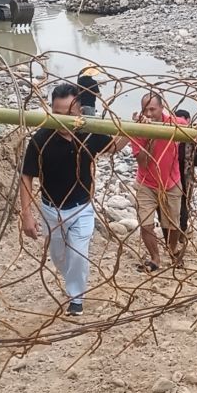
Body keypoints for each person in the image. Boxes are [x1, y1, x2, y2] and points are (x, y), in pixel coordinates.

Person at [20, 82, 128, 317]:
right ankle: (71, 281)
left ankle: (76, 299)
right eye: (57, 113)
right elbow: (26, 175)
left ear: (79, 110)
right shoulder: (42, 138)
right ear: (51, 111)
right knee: (59, 257)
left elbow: (113, 147)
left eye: (69, 113)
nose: (64, 119)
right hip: (52, 210)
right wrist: (26, 214)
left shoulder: (89, 132)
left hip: (81, 208)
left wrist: (134, 130)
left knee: (78, 254)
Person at [130, 93, 186, 272]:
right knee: (145, 224)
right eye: (145, 109)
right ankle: (155, 258)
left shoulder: (173, 123)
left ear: (162, 108)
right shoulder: (138, 129)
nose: (148, 113)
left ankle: (172, 248)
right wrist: (150, 135)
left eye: (152, 109)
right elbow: (143, 162)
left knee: (173, 224)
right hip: (146, 182)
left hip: (171, 181)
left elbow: (189, 128)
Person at [158, 109, 197, 255]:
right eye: (177, 120)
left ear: (188, 120)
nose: (180, 123)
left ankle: (180, 235)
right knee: (165, 209)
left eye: (182, 121)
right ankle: (169, 239)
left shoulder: (191, 136)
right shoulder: (167, 132)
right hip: (166, 178)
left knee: (183, 209)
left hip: (185, 179)